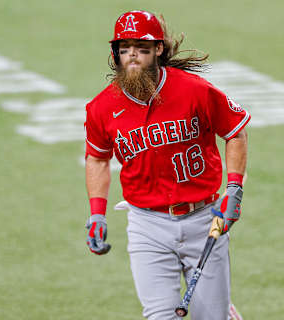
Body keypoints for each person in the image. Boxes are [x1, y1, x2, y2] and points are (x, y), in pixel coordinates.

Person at [84, 10, 250, 320]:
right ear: (116, 53)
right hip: (147, 225)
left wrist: (234, 189)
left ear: (158, 49)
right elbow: (96, 158)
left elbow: (234, 131)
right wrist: (96, 213)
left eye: (141, 47)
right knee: (160, 315)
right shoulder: (102, 107)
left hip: (206, 219)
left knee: (210, 317)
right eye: (125, 48)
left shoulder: (194, 90)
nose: (132, 55)